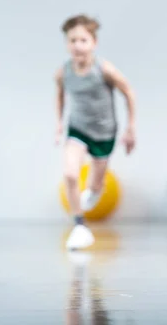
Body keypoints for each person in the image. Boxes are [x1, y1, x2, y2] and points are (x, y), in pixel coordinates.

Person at [55, 14, 136, 250]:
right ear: (67, 43)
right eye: (72, 40)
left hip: (104, 132)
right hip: (78, 129)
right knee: (70, 174)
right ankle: (80, 226)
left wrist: (131, 129)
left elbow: (129, 92)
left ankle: (94, 190)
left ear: (93, 43)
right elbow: (59, 93)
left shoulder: (104, 69)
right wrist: (59, 123)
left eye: (83, 40)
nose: (77, 45)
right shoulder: (64, 72)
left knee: (94, 187)